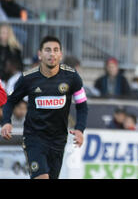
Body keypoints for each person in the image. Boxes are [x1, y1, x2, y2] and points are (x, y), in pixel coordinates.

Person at [0, 36, 88, 179]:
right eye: (47, 50)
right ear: (40, 54)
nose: (51, 54)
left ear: (61, 54)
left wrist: (80, 129)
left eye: (55, 50)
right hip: (34, 138)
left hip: (58, 139)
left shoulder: (72, 77)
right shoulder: (27, 78)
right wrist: (6, 122)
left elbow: (82, 105)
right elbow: (10, 101)